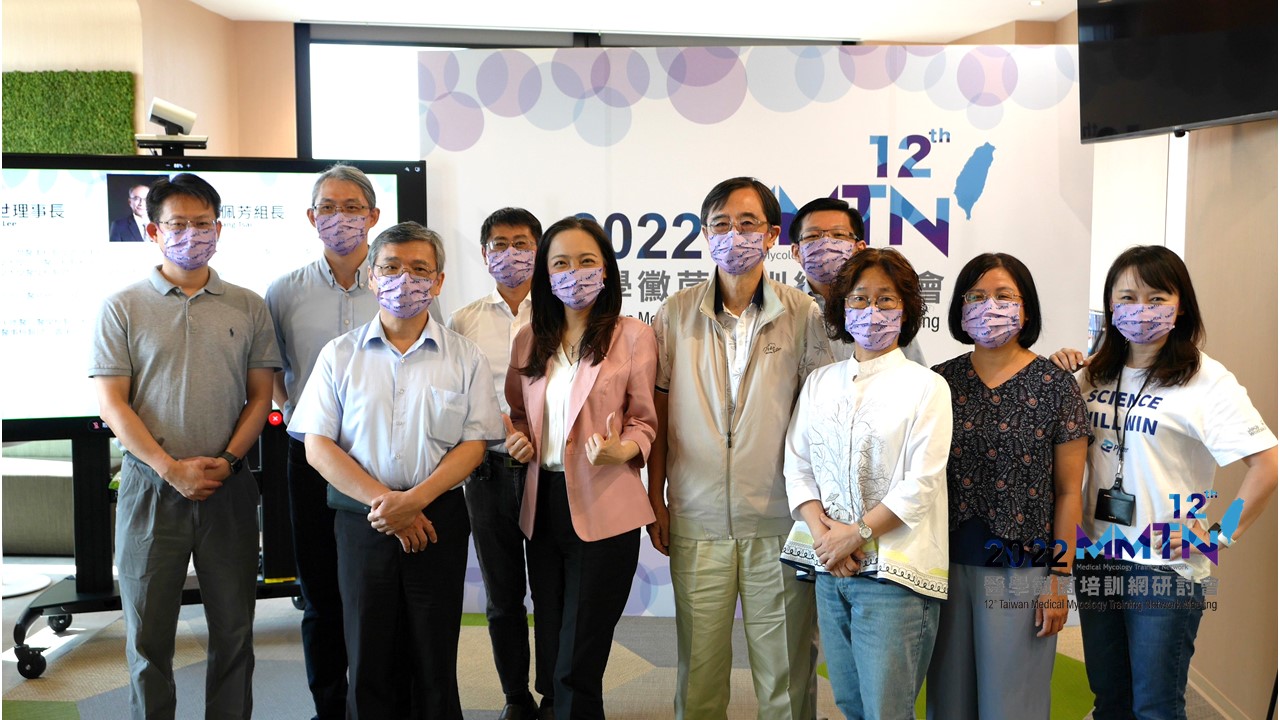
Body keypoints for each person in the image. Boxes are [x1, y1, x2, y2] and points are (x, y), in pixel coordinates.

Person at [290, 222, 504, 720]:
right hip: (362, 522)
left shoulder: (464, 357)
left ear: (439, 281)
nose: (404, 280)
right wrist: (387, 505)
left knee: (434, 654)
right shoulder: (339, 355)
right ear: (371, 277)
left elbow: (475, 444)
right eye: (390, 267)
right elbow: (317, 446)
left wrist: (414, 502)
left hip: (437, 520)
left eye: (419, 269)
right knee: (368, 654)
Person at [90, 173, 279, 719]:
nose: (191, 234)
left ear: (219, 229)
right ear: (153, 231)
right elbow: (113, 404)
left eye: (202, 224)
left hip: (228, 487)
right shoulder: (121, 307)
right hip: (150, 488)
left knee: (235, 632)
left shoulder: (249, 306)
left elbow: (260, 396)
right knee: (148, 639)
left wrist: (227, 461)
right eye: (177, 224)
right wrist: (170, 468)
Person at [1060, 245, 1277, 719]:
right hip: (1098, 553)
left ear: (1181, 307)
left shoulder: (1206, 380)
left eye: (1157, 298)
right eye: (1128, 297)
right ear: (1110, 306)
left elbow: (1267, 465)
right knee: (1110, 701)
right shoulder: (1093, 374)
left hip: (1163, 567)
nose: (1141, 309)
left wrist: (1218, 536)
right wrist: (1058, 371)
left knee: (1156, 706)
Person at [648, 177, 833, 719]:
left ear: (772, 234)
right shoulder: (675, 313)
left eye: (748, 223)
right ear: (705, 235)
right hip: (696, 517)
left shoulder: (802, 314)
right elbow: (658, 413)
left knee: (785, 673)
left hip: (780, 520)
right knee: (699, 672)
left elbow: (818, 421)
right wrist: (656, 498)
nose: (735, 234)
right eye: (722, 224)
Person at [783, 247, 951, 720]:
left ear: (906, 309)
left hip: (894, 575)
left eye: (885, 299)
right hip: (829, 568)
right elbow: (797, 465)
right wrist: (826, 537)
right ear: (841, 308)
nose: (871, 310)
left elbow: (921, 482)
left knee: (886, 710)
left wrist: (854, 535)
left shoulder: (927, 386)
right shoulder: (820, 382)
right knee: (850, 703)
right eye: (858, 299)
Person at [503, 216, 658, 720]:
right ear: (546, 274)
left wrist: (624, 449)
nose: (575, 273)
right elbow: (518, 414)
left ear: (606, 269)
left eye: (587, 261)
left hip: (606, 500)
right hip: (543, 502)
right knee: (551, 634)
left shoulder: (632, 336)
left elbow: (645, 420)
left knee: (581, 645)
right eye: (562, 263)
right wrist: (518, 440)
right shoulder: (529, 338)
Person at [923, 253, 1088, 720]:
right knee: (948, 701)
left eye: (1003, 296)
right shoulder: (939, 382)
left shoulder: (1055, 386)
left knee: (1012, 704)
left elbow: (1069, 492)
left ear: (1025, 308)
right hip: (944, 565)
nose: (988, 306)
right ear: (959, 308)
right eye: (976, 296)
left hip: (1022, 570)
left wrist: (1059, 579)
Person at [264, 163, 382, 719]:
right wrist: (298, 414)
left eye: (352, 208)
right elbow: (274, 371)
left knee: (378, 591)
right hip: (309, 455)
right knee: (319, 591)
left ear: (373, 216)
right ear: (311, 218)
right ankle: (329, 707)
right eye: (328, 208)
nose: (340, 218)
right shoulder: (284, 291)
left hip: (379, 457)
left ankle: (377, 703)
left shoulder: (399, 280)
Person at [446, 207, 541, 720]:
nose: (510, 253)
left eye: (521, 243)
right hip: (487, 473)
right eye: (499, 244)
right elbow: (458, 395)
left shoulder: (559, 311)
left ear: (539, 250)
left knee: (551, 591)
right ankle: (515, 697)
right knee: (503, 596)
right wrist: (502, 427)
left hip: (549, 473)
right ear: (484, 255)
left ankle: (554, 694)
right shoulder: (464, 320)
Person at [789, 196, 926, 365]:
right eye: (813, 236)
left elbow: (913, 373)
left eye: (838, 235)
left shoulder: (884, 310)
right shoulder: (783, 309)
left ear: (859, 248)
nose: (826, 243)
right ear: (796, 252)